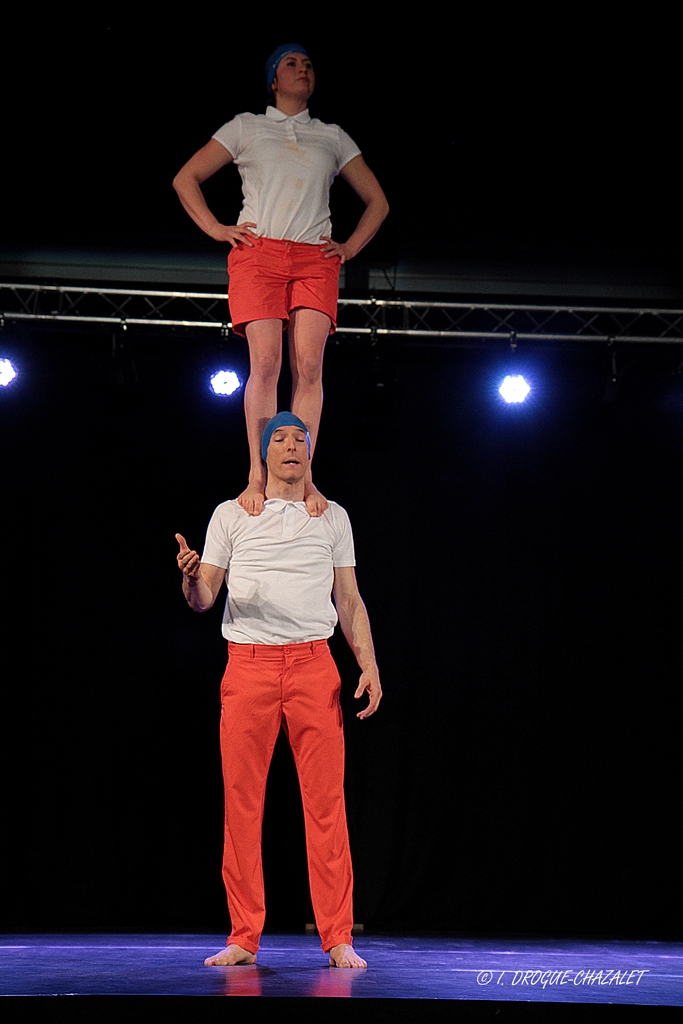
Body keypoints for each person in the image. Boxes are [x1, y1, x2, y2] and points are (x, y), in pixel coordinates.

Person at [175, 411, 382, 968]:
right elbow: (203, 599)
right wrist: (193, 576)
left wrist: (368, 662)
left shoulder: (332, 516)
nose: (290, 447)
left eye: (300, 439)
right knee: (242, 806)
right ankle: (244, 936)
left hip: (315, 667)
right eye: (279, 440)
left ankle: (338, 935)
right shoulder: (232, 514)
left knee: (327, 806)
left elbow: (350, 599)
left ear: (311, 452)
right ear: (263, 453)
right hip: (248, 667)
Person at [173, 44, 389, 519]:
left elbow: (378, 200)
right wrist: (216, 228)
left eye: (309, 65)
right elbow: (186, 177)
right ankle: (258, 472)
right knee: (266, 362)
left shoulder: (331, 136)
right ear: (273, 78)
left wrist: (349, 247)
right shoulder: (247, 126)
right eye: (291, 64)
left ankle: (305, 476)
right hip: (258, 252)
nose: (302, 70)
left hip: (315, 257)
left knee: (309, 365)